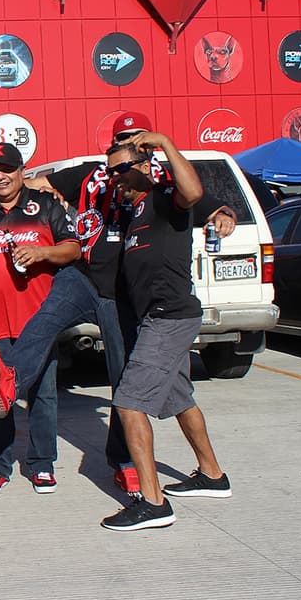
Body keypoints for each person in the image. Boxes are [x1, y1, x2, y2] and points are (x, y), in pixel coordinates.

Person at [0, 112, 235, 496]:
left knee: (123, 378)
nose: (129, 145)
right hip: (82, 274)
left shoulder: (153, 180)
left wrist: (221, 210)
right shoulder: (94, 173)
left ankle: (124, 461)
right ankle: (8, 385)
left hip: (120, 290)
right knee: (43, 320)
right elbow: (33, 181)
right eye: (122, 138)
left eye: (136, 137)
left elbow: (194, 196)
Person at [100, 131, 231, 531]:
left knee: (128, 403)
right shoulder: (132, 213)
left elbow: (192, 191)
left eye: (122, 170)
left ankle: (153, 503)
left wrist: (166, 143)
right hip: (156, 320)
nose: (115, 178)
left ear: (144, 166)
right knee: (179, 399)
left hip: (169, 316)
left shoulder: (164, 200)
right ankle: (212, 475)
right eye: (111, 173)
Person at [0, 143, 81, 496]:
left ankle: (42, 464)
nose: (0, 176)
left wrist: (42, 252)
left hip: (40, 320)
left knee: (43, 394)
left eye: (7, 168)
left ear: (21, 170)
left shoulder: (45, 205)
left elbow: (73, 248)